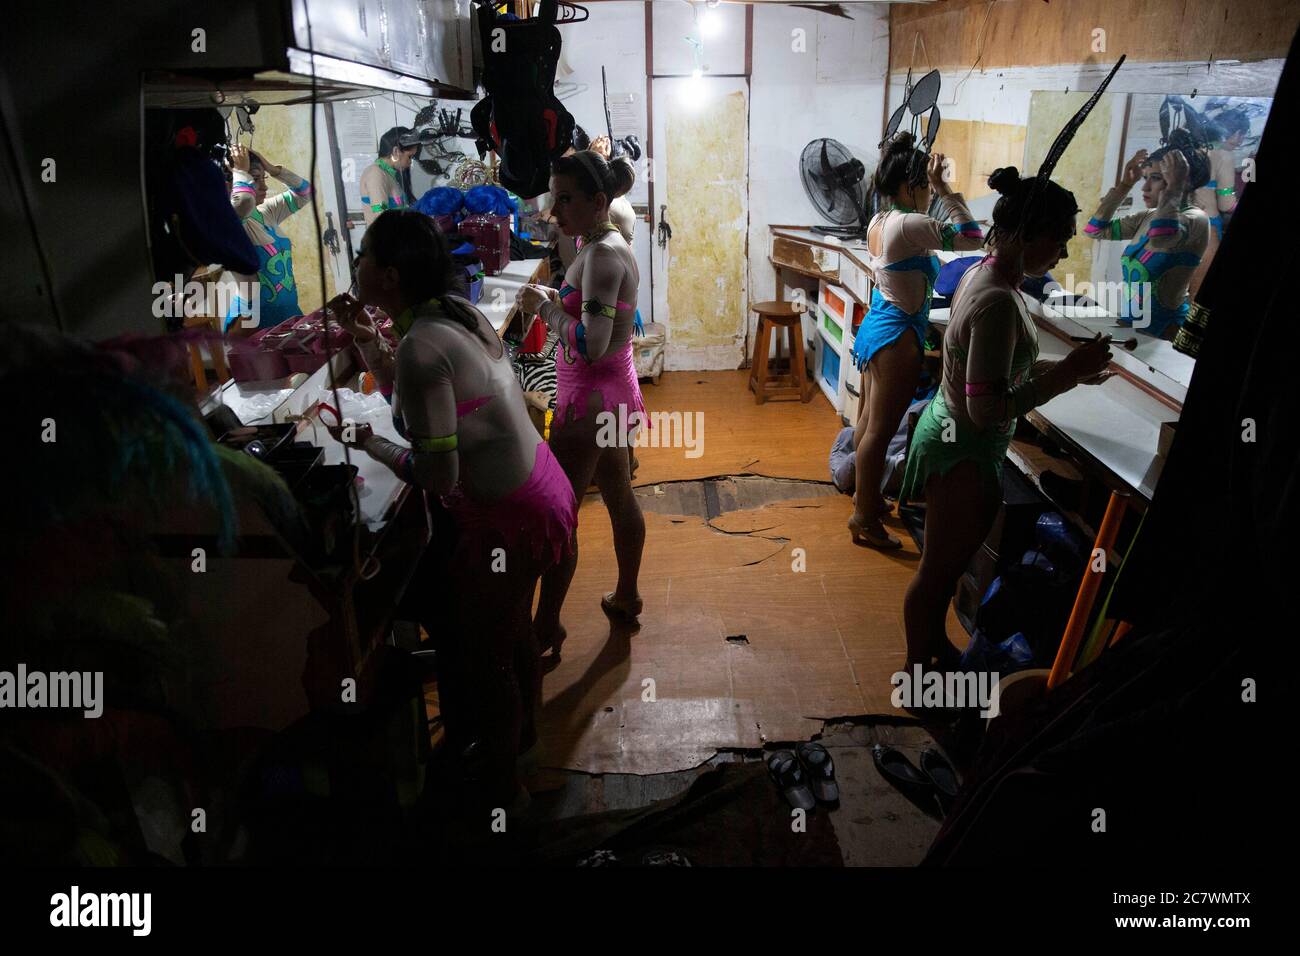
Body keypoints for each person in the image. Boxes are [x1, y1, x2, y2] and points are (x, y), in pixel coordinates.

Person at [326, 209, 577, 807]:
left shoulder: (420, 343)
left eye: (362, 255)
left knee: (486, 657)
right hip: (542, 488)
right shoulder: (450, 315)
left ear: (386, 274)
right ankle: (523, 745)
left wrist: (372, 446)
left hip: (510, 517)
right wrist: (366, 339)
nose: (354, 264)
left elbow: (439, 474)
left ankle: (503, 791)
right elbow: (416, 406)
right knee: (513, 626)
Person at [900, 167, 1114, 671]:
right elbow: (986, 406)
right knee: (936, 574)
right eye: (1058, 240)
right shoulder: (997, 300)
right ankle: (915, 672)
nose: (1062, 253)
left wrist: (1068, 371)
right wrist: (1063, 375)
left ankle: (935, 653)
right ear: (1023, 235)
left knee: (946, 572)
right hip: (963, 449)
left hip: (958, 437)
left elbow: (996, 371)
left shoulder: (987, 273)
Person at [516, 149, 645, 658]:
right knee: (616, 489)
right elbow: (596, 317)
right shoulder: (605, 245)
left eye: (565, 200)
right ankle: (628, 595)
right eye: (554, 199)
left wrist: (544, 306)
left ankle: (547, 625)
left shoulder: (601, 257)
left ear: (597, 201)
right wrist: (554, 295)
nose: (554, 211)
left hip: (591, 399)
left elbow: (590, 341)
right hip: (610, 393)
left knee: (561, 515)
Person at [847, 132, 985, 549]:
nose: (930, 192)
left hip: (877, 327)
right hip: (898, 335)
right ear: (911, 187)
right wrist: (949, 191)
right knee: (880, 432)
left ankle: (864, 497)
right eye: (926, 186)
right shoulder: (911, 223)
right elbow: (974, 239)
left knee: (867, 423)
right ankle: (865, 519)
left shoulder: (881, 220)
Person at [1083, 134, 1210, 338]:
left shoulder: (1197, 219)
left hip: (1165, 334)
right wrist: (1125, 185)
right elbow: (1094, 230)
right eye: (1145, 177)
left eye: (1157, 178)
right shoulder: (1149, 216)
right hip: (1132, 328)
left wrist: (1175, 189)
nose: (1145, 187)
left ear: (1182, 180)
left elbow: (1161, 238)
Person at [225, 144, 314, 331]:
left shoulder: (266, 212)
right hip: (252, 321)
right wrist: (240, 172)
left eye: (262, 178)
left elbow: (305, 192)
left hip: (288, 314)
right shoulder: (231, 220)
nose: (264, 186)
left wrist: (273, 169)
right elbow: (244, 200)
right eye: (255, 180)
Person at [1187, 109, 1247, 297]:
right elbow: (1226, 203)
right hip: (1206, 225)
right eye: (1242, 135)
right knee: (1198, 289)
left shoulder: (1194, 147)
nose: (1241, 141)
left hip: (1180, 219)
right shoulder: (1224, 155)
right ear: (1235, 132)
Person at [360, 127, 421, 225]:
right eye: (409, 156)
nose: (410, 162)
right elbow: (381, 217)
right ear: (396, 151)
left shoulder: (390, 174)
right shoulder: (376, 174)